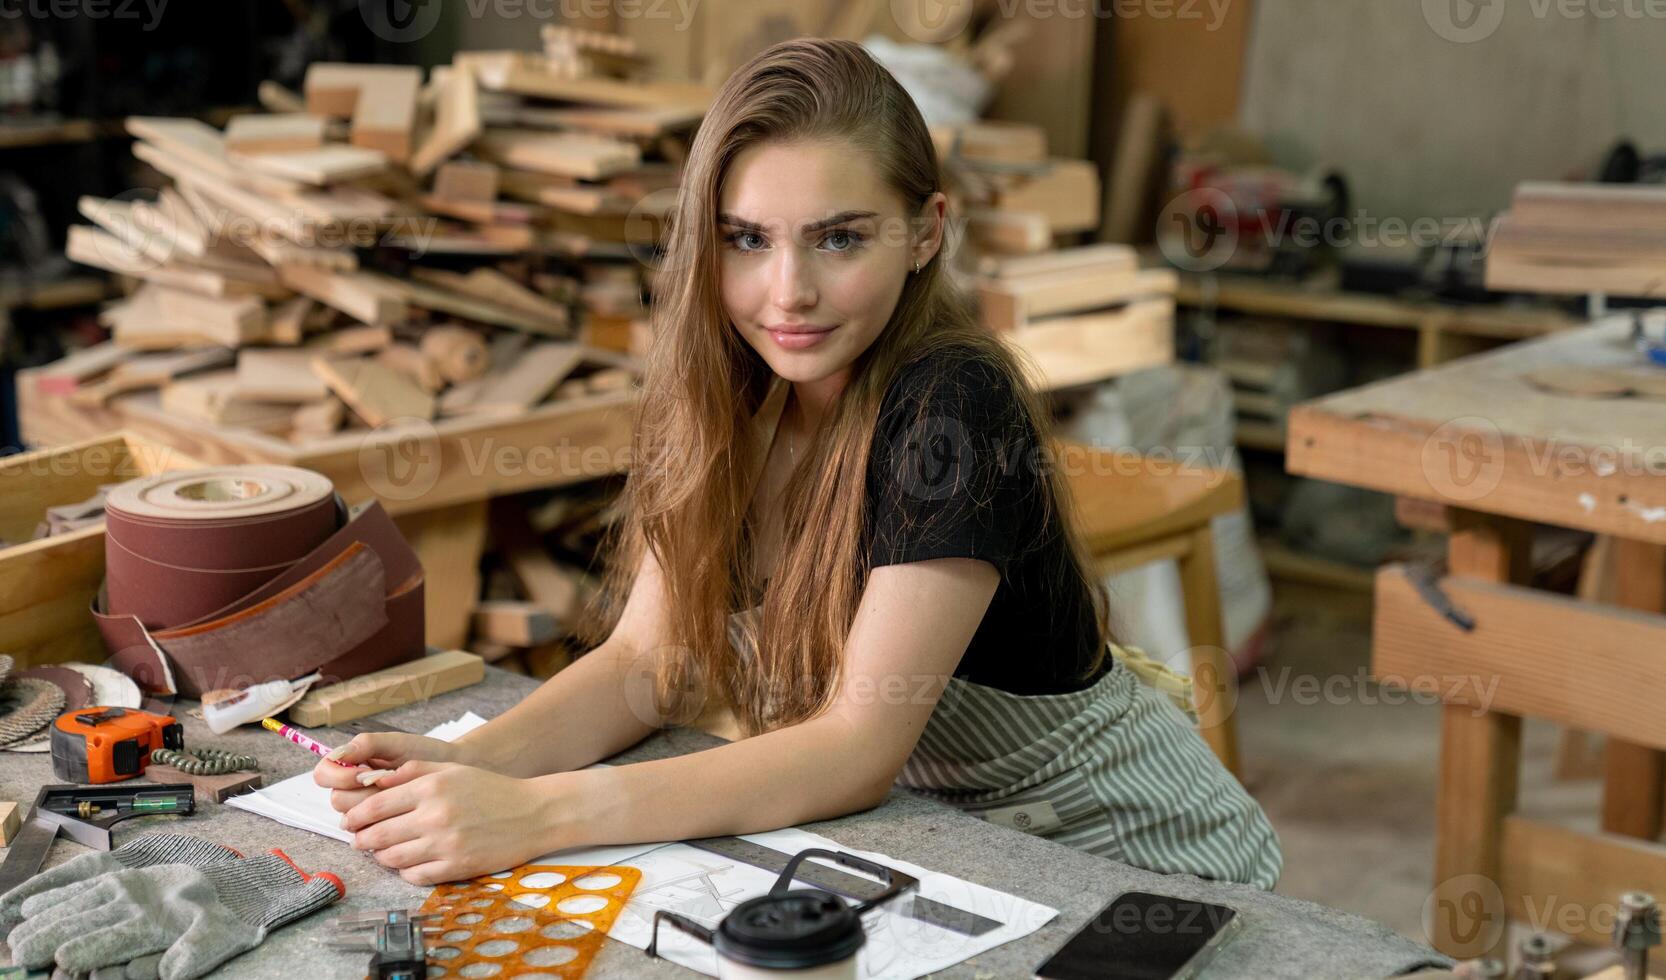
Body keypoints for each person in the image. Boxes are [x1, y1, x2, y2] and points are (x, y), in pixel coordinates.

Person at [316, 37, 1281, 891]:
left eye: (842, 238)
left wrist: (539, 817)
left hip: (1132, 858)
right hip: (957, 841)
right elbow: (652, 666)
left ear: (927, 233)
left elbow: (856, 750)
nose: (791, 293)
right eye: (748, 240)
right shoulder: (727, 396)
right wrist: (470, 768)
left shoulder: (949, 405)